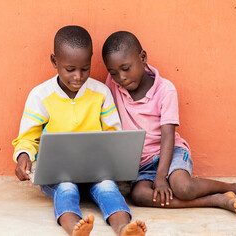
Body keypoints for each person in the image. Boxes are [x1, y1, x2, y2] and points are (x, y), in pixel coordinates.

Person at [102, 31, 236, 217]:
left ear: (143, 57)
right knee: (139, 195)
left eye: (126, 68)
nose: (121, 78)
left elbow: (168, 136)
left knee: (183, 188)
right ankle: (215, 200)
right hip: (141, 165)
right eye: (114, 73)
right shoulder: (113, 85)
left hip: (170, 152)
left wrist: (161, 177)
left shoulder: (165, 89)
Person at [12, 26, 147, 236]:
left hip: (96, 172)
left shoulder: (101, 93)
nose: (78, 76)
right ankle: (75, 227)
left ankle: (123, 227)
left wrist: (116, 165)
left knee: (107, 188)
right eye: (70, 69)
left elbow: (114, 136)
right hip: (57, 173)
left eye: (85, 69)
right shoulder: (40, 96)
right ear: (54, 62)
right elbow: (27, 138)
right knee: (65, 188)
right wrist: (23, 156)